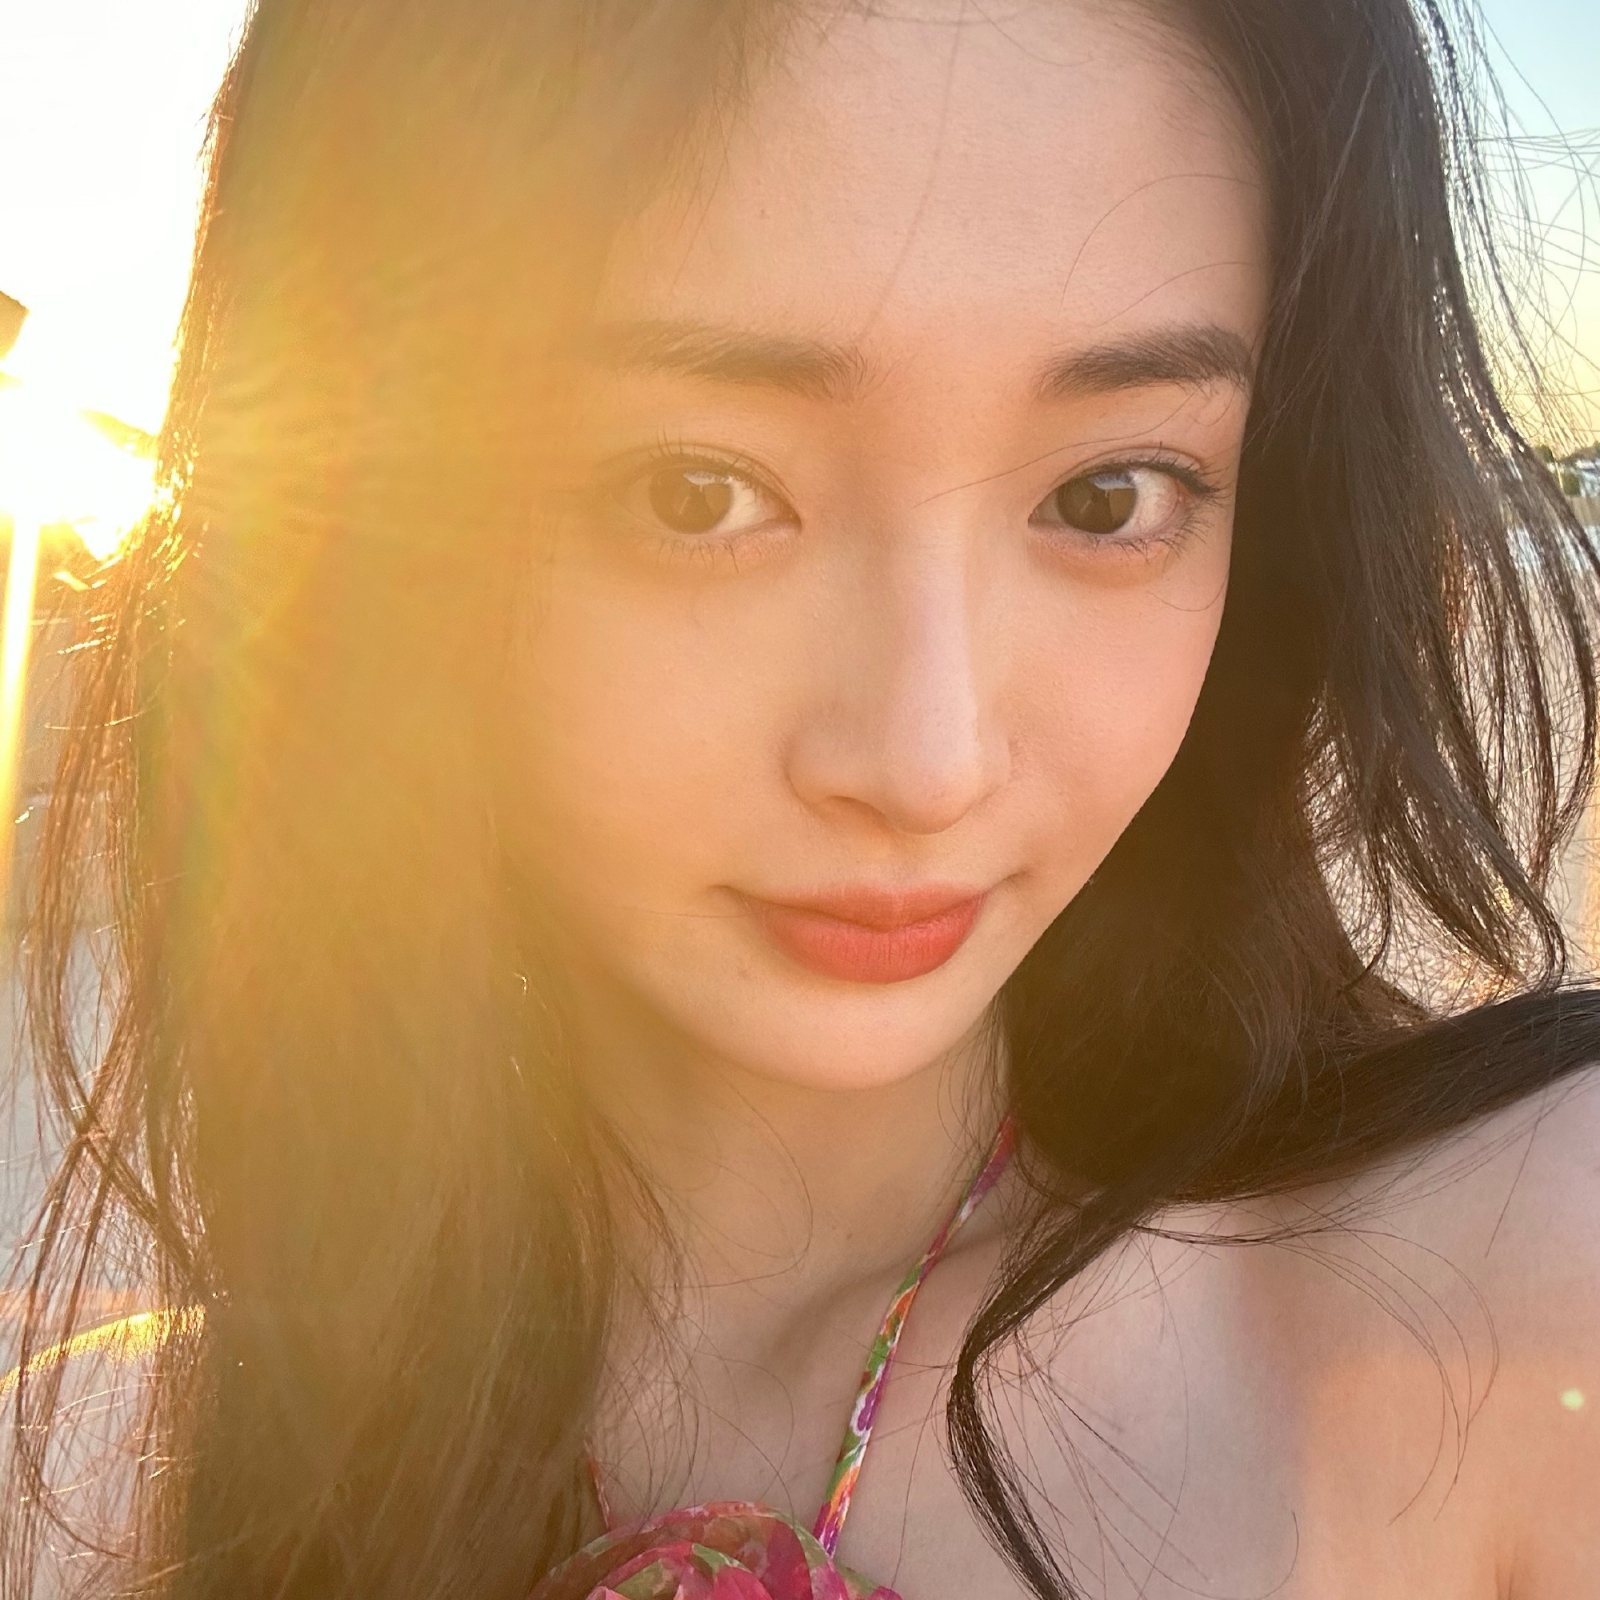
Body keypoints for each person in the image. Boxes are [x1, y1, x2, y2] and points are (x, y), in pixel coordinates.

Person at [4, 0, 1599, 1595]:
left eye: (1107, 495)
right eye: (694, 492)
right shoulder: (99, 1476)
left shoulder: (1522, 1292)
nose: (927, 761)